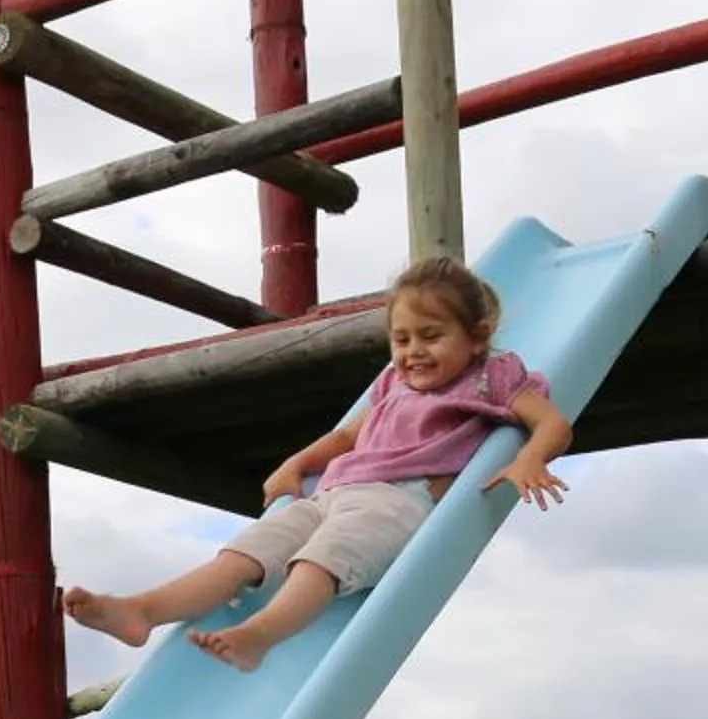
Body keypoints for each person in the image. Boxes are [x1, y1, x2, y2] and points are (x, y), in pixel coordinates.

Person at [59, 256, 572, 673]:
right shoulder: (393, 382)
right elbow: (347, 436)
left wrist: (529, 459)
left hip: (397, 500)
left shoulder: (491, 377)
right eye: (402, 339)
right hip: (331, 492)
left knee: (317, 562)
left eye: (431, 336)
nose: (414, 351)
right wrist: (295, 463)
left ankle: (259, 636)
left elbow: (552, 423)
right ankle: (140, 612)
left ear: (477, 337)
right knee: (243, 554)